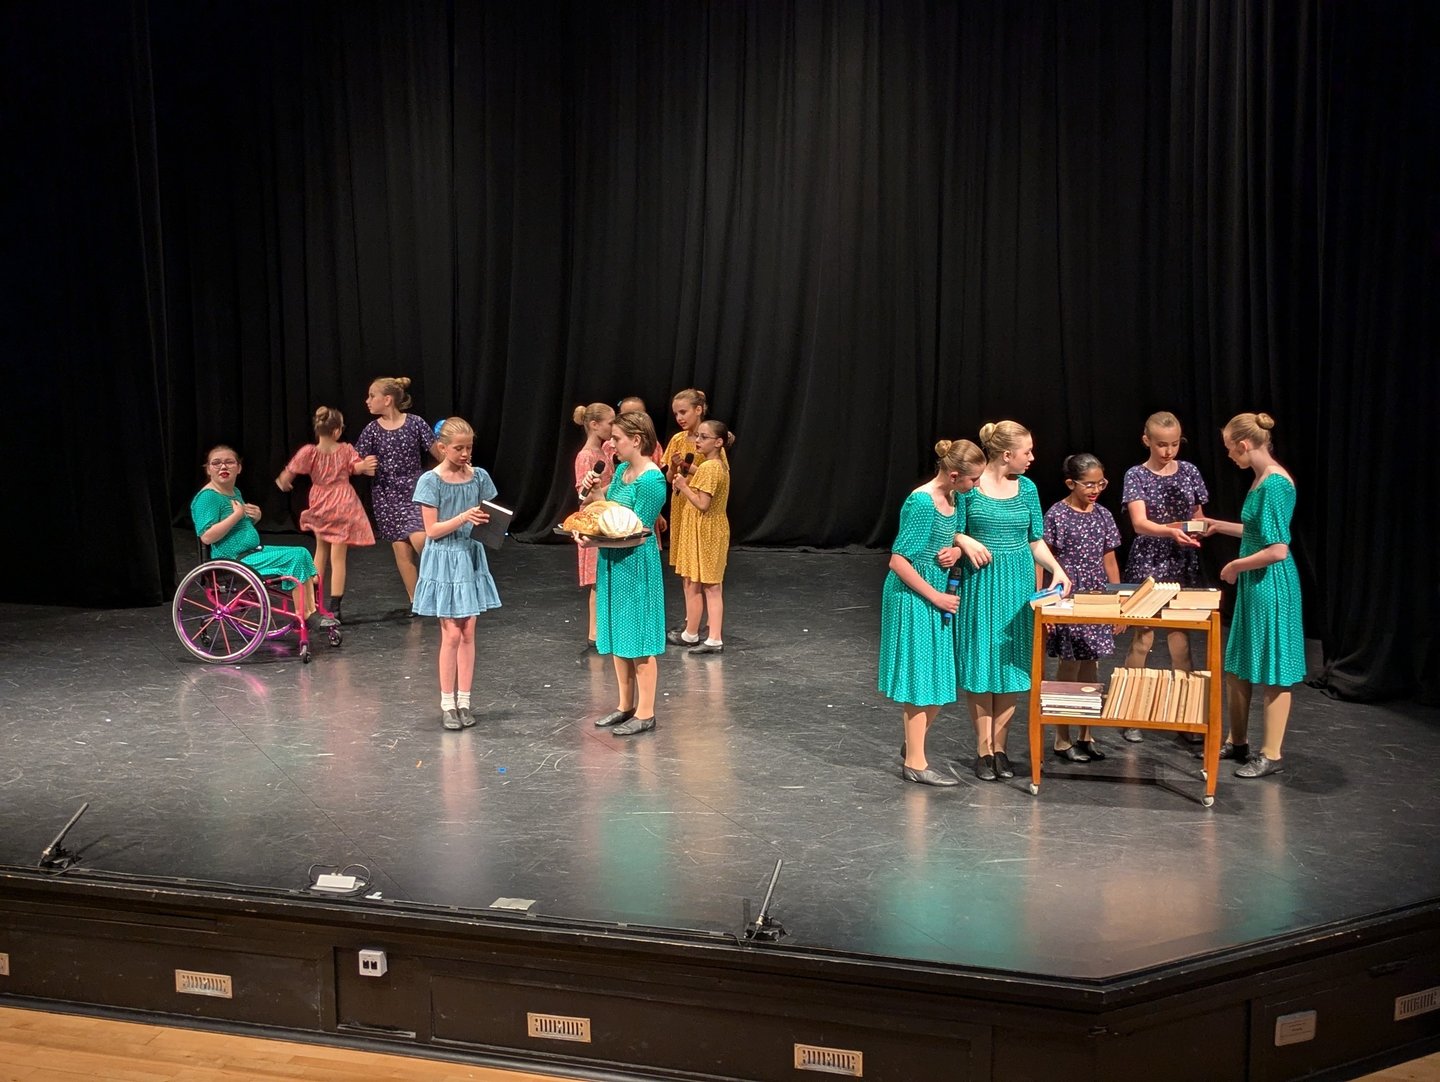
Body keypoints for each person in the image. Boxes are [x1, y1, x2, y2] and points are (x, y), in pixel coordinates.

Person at [954, 421, 1071, 781]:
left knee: (1010, 666)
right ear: (1007, 455)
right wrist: (963, 540)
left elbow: (1035, 539)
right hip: (981, 585)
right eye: (1027, 452)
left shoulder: (1028, 488)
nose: (1032, 458)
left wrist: (1058, 570)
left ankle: (1000, 748)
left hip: (1017, 585)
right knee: (982, 664)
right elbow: (948, 526)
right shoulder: (971, 488)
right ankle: (982, 749)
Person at [1200, 412, 1304, 778]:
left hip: (1271, 584)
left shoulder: (1275, 483)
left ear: (1244, 445)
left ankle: (1271, 754)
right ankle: (1238, 740)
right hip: (1255, 585)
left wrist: (1235, 566)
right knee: (1238, 664)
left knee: (1274, 670)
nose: (1229, 456)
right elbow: (1258, 530)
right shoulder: (1260, 479)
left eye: (1230, 449)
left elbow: (1278, 549)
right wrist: (1220, 526)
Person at [879, 439, 985, 786]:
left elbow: (951, 533)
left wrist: (956, 549)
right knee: (922, 679)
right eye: (972, 480)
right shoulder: (921, 502)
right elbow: (898, 561)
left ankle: (914, 743)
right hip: (914, 595)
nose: (975, 486)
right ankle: (916, 762)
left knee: (940, 678)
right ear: (954, 475)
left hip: (937, 590)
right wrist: (936, 597)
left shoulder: (956, 497)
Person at [1117, 411, 1208, 741]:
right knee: (1144, 637)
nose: (1169, 451)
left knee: (1181, 639)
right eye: (1161, 445)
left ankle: (1185, 715)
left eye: (1174, 444)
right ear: (1147, 441)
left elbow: (1198, 516)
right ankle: (1130, 711)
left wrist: (1199, 529)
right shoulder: (1136, 475)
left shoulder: (1190, 472)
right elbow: (1140, 524)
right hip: (1151, 560)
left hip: (1182, 561)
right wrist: (1172, 532)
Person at [411, 418, 502, 731]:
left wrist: (488, 523)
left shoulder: (479, 477)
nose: (464, 453)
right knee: (450, 633)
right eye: (458, 448)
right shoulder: (430, 481)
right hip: (445, 558)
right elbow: (432, 530)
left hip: (469, 555)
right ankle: (447, 702)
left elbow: (490, 514)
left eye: (468, 447)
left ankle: (465, 700)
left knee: (468, 631)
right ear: (442, 447)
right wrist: (464, 516)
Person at [582, 411, 668, 735]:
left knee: (639, 639)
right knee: (619, 635)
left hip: (635, 562)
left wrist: (593, 541)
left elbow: (637, 531)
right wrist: (595, 494)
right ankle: (625, 705)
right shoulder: (621, 471)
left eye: (617, 439)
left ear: (636, 439)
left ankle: (645, 712)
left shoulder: (652, 480)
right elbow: (610, 513)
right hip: (612, 561)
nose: (612, 445)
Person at [1040, 453, 1122, 762]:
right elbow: (1042, 556)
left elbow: (1109, 558)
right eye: (1088, 484)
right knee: (1069, 666)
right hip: (1068, 596)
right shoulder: (1057, 515)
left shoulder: (1103, 515)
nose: (1095, 490)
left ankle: (1087, 733)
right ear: (1071, 483)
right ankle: (1062, 738)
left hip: (1098, 597)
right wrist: (1043, 598)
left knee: (1093, 666)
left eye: (1100, 483)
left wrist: (1117, 600)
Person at [190, 445, 319, 621]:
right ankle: (305, 615)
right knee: (295, 557)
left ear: (239, 468)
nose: (223, 467)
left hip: (251, 552)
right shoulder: (208, 497)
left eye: (229, 462)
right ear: (208, 470)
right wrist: (237, 515)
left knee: (302, 552)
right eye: (216, 463)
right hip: (233, 559)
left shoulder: (234, 492)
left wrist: (253, 518)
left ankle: (310, 609)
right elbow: (207, 536)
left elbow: (235, 527)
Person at [275, 406, 375, 627]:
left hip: (321, 501)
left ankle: (315, 601)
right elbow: (356, 467)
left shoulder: (309, 452)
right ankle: (335, 607)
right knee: (338, 558)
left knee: (321, 550)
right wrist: (365, 466)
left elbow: (288, 472)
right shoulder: (345, 450)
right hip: (343, 502)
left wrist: (284, 480)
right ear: (338, 431)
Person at [353, 376, 439, 611]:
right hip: (385, 495)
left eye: (372, 396)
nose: (368, 401)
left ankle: (443, 582)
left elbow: (438, 452)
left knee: (420, 538)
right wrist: (361, 466)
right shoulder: (372, 430)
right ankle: (417, 601)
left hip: (414, 491)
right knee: (401, 549)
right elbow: (352, 460)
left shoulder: (415, 423)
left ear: (387, 399)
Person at [663, 388, 728, 640]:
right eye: (676, 413)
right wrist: (677, 468)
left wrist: (688, 473)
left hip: (701, 508)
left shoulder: (712, 445)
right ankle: (692, 619)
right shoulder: (678, 440)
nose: (680, 417)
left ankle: (710, 626)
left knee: (706, 574)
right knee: (687, 568)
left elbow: (713, 481)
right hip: (682, 508)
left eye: (684, 412)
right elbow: (668, 476)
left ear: (698, 410)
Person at [669, 419, 736, 655]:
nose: (697, 441)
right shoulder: (714, 466)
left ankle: (714, 638)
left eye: (703, 437)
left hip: (707, 529)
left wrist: (684, 486)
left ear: (718, 442)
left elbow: (703, 504)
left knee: (710, 585)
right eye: (697, 436)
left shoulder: (711, 467)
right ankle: (691, 633)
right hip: (704, 529)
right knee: (695, 581)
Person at [572, 402, 617, 647]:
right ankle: (595, 633)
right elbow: (583, 495)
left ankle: (605, 630)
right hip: (592, 518)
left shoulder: (603, 451)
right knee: (597, 580)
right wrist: (615, 487)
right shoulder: (586, 456)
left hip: (605, 514)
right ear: (594, 425)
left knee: (605, 576)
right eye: (610, 423)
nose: (613, 427)